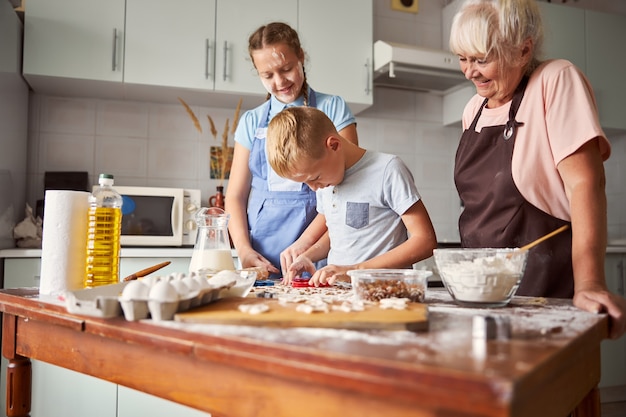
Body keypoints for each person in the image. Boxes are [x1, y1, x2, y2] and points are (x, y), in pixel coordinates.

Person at [449, 0, 625, 339]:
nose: (470, 71)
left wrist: (590, 282)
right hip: (484, 293)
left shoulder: (555, 80)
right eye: (463, 58)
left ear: (523, 50)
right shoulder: (473, 109)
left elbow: (586, 183)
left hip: (544, 286)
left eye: (482, 59)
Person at [225, 22, 358, 278]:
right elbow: (235, 196)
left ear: (301, 57)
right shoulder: (251, 122)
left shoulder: (333, 108)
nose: (280, 81)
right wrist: (243, 250)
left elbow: (350, 186)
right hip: (264, 253)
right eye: (268, 75)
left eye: (286, 69)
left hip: (322, 251)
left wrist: (308, 246)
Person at [265, 106, 438, 286]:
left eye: (315, 178)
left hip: (386, 293)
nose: (314, 189)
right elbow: (341, 233)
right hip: (341, 293)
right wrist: (307, 256)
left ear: (334, 145)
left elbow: (425, 241)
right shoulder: (326, 182)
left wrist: (355, 271)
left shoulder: (387, 170)